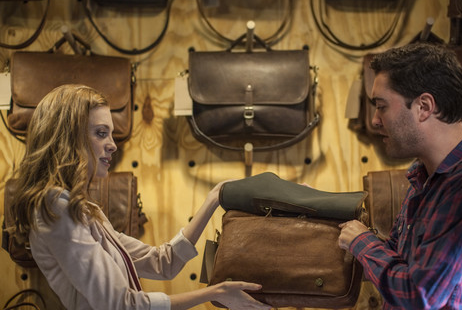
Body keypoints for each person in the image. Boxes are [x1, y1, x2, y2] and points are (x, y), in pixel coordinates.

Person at [10, 84, 271, 310]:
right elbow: (119, 305)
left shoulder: (85, 210)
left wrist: (214, 197)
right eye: (101, 133)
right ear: (68, 136)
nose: (113, 144)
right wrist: (215, 293)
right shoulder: (56, 206)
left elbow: (162, 263)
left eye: (111, 134)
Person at [338, 42, 462, 309]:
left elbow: (419, 295)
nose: (375, 120)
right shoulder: (423, 175)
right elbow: (396, 256)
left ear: (424, 107)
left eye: (381, 106)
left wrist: (361, 241)